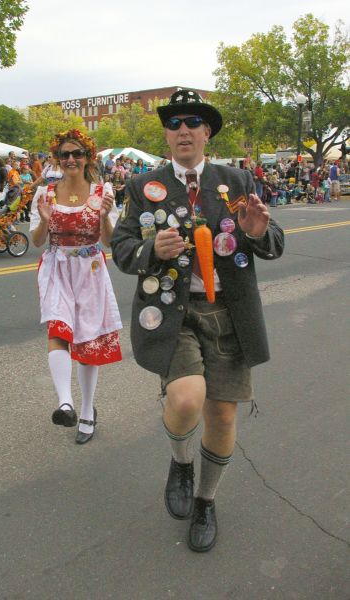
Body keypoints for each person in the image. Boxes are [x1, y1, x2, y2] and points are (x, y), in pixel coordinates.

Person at [111, 89, 284, 553]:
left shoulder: (237, 179)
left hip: (230, 311)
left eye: (192, 121)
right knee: (187, 399)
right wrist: (151, 250)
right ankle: (180, 462)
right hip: (174, 313)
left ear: (207, 131)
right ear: (167, 135)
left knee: (223, 414)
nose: (182, 129)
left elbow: (273, 240)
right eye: (173, 123)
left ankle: (206, 501)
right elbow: (122, 250)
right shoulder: (142, 185)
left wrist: (258, 232)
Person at [30, 129, 122, 444]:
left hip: (92, 270)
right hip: (57, 267)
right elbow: (37, 241)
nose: (71, 159)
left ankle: (86, 410)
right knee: (58, 329)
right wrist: (44, 219)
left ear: (87, 158)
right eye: (65, 154)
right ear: (57, 158)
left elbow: (110, 242)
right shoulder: (46, 193)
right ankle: (65, 403)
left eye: (77, 154)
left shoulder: (103, 192)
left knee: (88, 343)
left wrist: (107, 216)